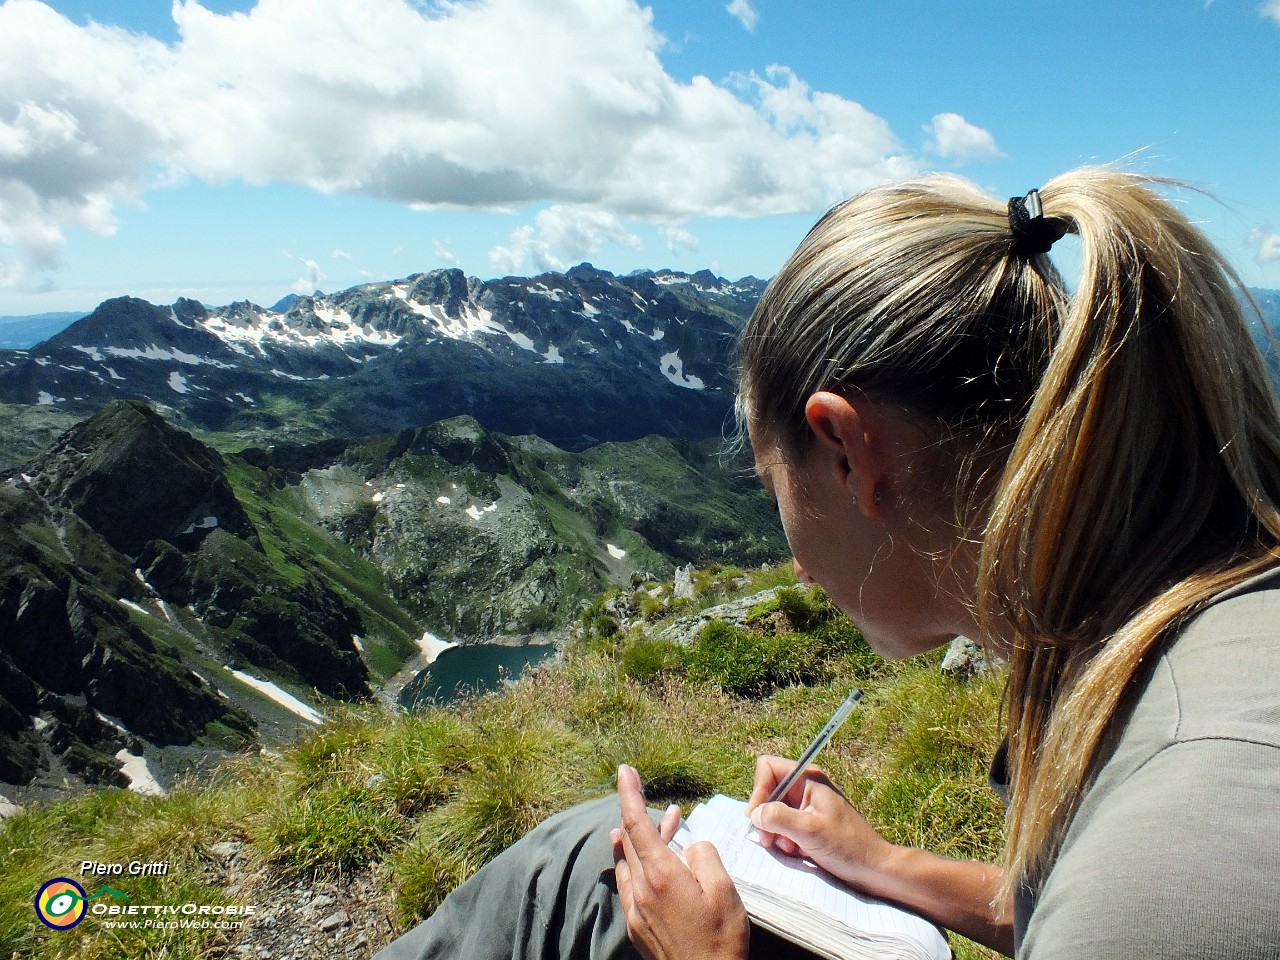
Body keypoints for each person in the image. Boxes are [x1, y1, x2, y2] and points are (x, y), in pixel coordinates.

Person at [375, 168, 1280, 960]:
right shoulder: (1193, 624)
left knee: (578, 884)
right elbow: (1058, 906)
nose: (800, 570)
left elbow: (1121, 909)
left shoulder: (1179, 847)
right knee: (583, 865)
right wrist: (886, 867)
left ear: (849, 452)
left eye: (778, 490)